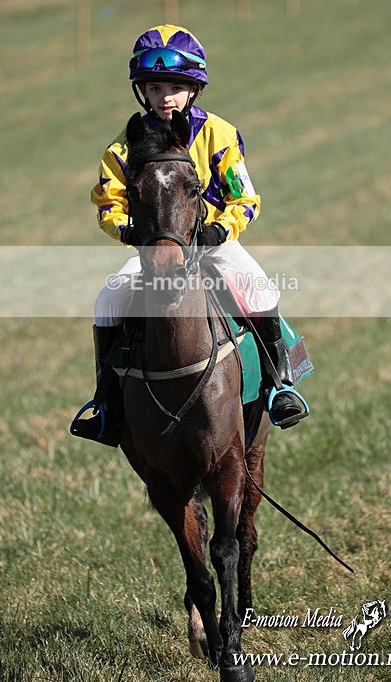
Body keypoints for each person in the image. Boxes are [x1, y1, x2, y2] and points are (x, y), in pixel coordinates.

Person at [72, 24, 308, 446]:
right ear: (141, 90)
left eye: (176, 87)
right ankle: (106, 402)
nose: (166, 97)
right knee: (108, 297)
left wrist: (220, 230)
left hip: (212, 244)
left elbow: (246, 198)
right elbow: (109, 206)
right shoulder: (122, 147)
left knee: (261, 290)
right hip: (155, 249)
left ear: (194, 89)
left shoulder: (220, 133)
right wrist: (130, 232)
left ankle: (281, 387)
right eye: (156, 87)